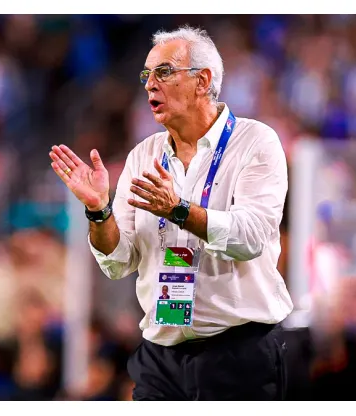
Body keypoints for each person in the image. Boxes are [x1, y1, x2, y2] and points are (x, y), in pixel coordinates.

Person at [49, 25, 293, 400]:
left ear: (203, 81)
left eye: (163, 72)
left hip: (239, 351)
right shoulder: (142, 156)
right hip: (160, 355)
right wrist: (99, 210)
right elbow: (118, 261)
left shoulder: (255, 142)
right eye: (146, 75)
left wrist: (178, 210)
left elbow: (250, 238)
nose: (149, 84)